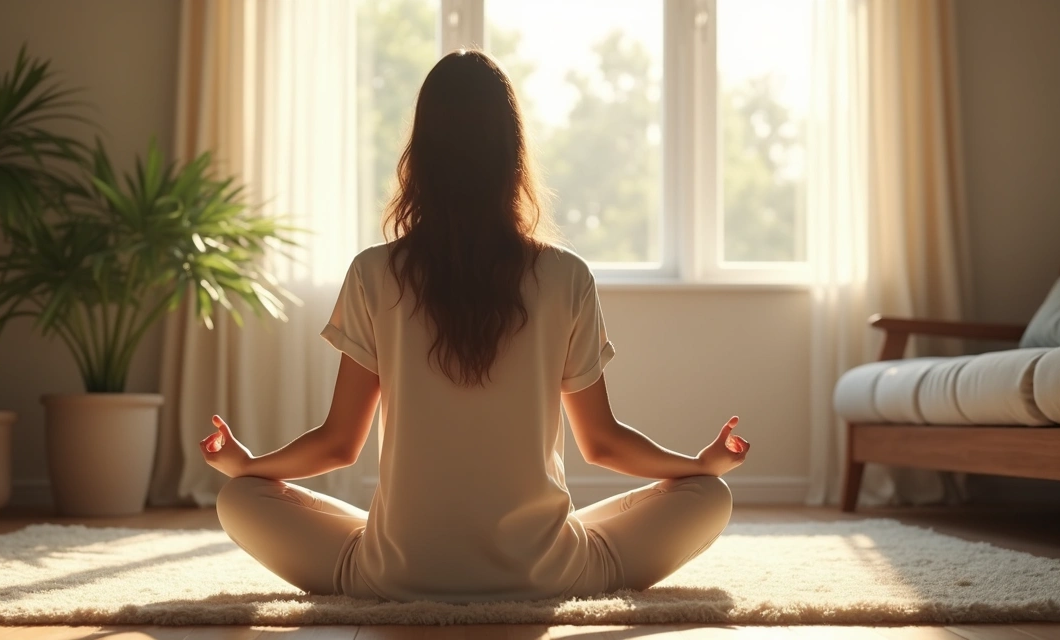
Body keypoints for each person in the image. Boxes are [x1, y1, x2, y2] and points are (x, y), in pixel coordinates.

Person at [199, 49, 750, 603]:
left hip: (394, 576)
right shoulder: (566, 275)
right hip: (546, 576)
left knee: (239, 499)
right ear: (513, 155)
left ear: (420, 157)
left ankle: (391, 558)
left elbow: (339, 444)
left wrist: (248, 465)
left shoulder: (373, 272)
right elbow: (603, 444)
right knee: (711, 495)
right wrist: (699, 465)